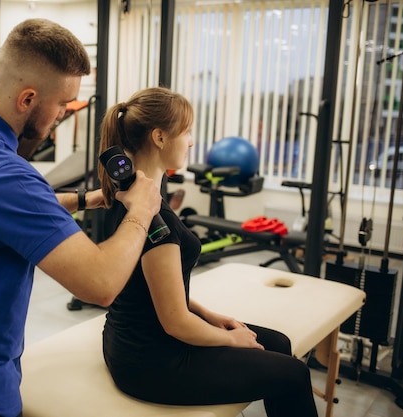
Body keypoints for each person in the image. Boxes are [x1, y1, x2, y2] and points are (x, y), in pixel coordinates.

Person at [0, 19, 162, 417]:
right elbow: (101, 284)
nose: (61, 117)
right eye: (60, 105)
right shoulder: (3, 173)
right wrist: (142, 210)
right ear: (27, 99)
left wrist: (85, 199)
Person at [97, 87, 319, 417]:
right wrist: (228, 339)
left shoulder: (130, 195)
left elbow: (156, 292)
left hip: (132, 341)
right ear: (159, 137)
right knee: (294, 374)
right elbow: (175, 323)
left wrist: (213, 317)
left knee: (279, 343)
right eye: (186, 132)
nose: (190, 141)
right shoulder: (151, 221)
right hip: (152, 362)